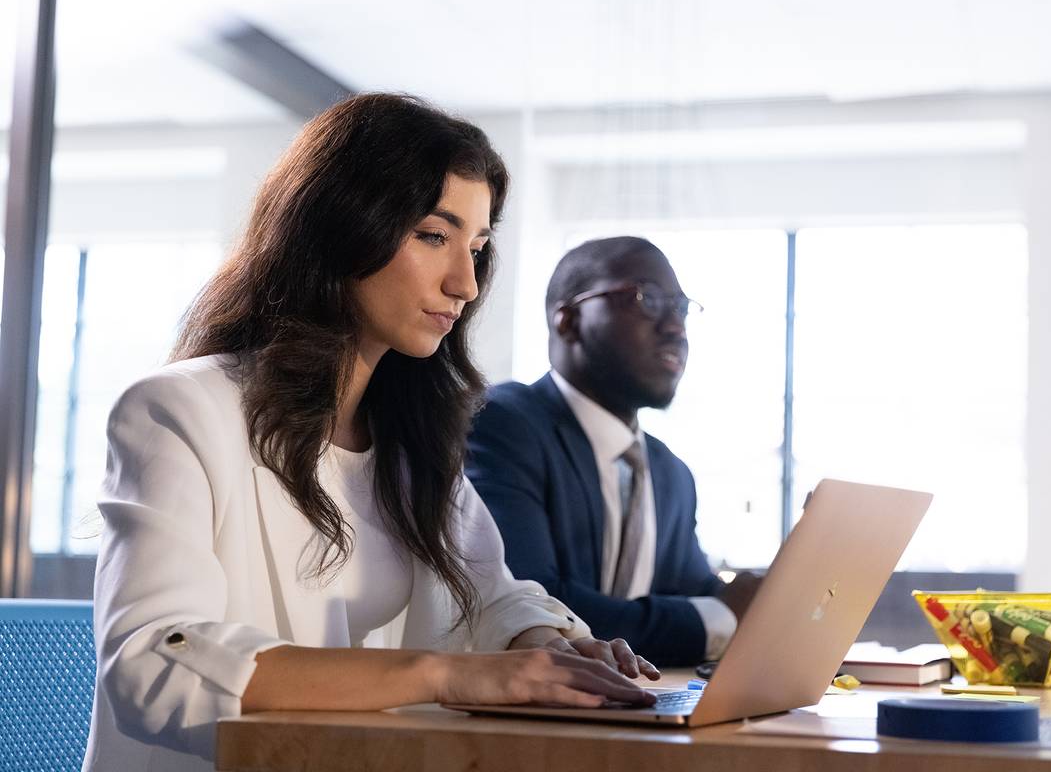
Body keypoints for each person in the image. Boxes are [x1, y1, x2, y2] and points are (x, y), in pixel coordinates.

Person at [83, 95, 659, 772]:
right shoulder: (177, 411)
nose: (466, 283)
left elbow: (490, 593)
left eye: (477, 248)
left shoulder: (414, 441)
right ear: (341, 227)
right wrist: (441, 675)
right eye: (433, 236)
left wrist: (548, 643)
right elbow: (155, 662)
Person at [466, 237, 761, 668]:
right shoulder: (503, 425)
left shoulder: (669, 473)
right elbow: (532, 600)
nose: (675, 328)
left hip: (637, 707)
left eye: (680, 308)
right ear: (568, 321)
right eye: (647, 299)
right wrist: (720, 617)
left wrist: (771, 599)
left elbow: (691, 593)